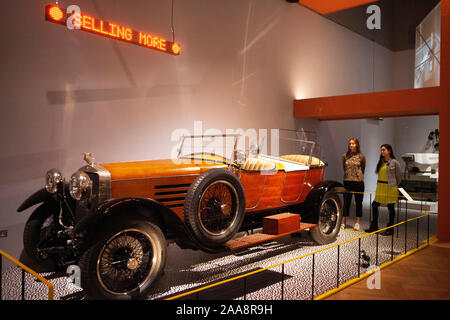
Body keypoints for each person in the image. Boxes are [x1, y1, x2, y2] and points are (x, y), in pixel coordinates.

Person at [365, 144, 402, 236]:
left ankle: (390, 229)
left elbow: (399, 176)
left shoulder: (395, 162)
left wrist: (394, 185)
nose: (382, 152)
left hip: (390, 187)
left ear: (389, 151)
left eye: (384, 150)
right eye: (381, 150)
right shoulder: (381, 162)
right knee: (374, 205)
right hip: (380, 186)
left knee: (390, 207)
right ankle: (374, 226)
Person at [342, 138, 366, 231]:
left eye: (353, 143)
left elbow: (363, 169)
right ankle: (344, 221)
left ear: (357, 145)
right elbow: (344, 167)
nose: (351, 145)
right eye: (350, 144)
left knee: (358, 202)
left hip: (358, 182)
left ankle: (357, 222)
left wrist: (357, 176)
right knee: (346, 202)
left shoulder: (361, 156)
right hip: (347, 181)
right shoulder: (345, 156)